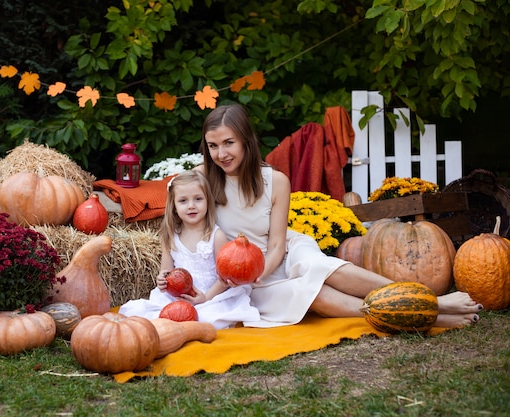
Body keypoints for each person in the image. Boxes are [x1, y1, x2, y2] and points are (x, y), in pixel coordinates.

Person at [196, 103, 482, 329]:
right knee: (312, 294)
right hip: (248, 275)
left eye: (228, 143)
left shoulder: (276, 180)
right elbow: (173, 199)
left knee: (319, 267)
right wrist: (248, 275)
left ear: (246, 140)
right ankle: (417, 314)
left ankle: (433, 300)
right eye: (212, 146)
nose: (220, 154)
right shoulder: (202, 180)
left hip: (280, 252)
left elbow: (277, 245)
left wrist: (262, 268)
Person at [119, 170, 260, 329]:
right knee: (148, 313)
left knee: (209, 319)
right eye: (183, 201)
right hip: (177, 297)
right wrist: (162, 281)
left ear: (208, 201)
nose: (191, 206)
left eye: (198, 199)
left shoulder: (216, 236)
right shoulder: (171, 237)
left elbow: (224, 278)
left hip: (210, 296)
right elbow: (166, 270)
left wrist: (205, 297)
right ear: (174, 206)